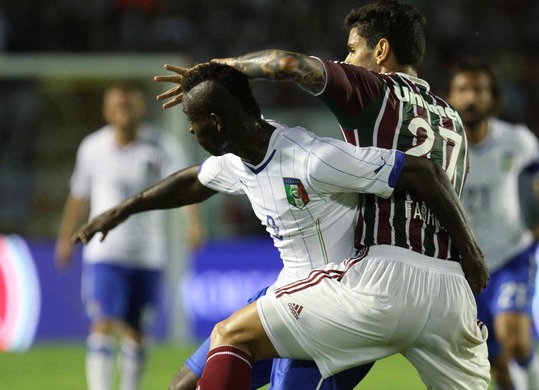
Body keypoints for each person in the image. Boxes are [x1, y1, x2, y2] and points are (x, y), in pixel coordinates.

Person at [155, 1, 490, 388]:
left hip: (382, 278)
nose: (346, 59)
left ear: (380, 51)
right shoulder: (453, 121)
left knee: (231, 335)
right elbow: (441, 186)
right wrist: (471, 251)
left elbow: (289, 65)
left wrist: (221, 70)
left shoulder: (373, 89)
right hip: (452, 291)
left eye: (352, 49)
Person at [54, 83, 201, 390]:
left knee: (136, 332)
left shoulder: (160, 146)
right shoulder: (92, 147)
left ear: (141, 109)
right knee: (103, 322)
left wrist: (193, 223)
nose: (124, 111)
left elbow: (185, 183)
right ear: (106, 111)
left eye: (130, 105)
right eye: (118, 106)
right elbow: (79, 195)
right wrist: (65, 236)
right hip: (104, 254)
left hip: (148, 254)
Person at [445, 62, 539, 390]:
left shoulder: (518, 141)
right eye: (463, 90)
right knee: (496, 361)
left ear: (493, 98)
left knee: (512, 336)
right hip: (464, 269)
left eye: (478, 90)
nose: (470, 98)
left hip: (511, 255)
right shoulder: (441, 147)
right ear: (450, 98)